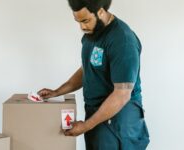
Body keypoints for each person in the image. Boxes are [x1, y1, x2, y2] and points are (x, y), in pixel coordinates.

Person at [38, 0, 150, 149]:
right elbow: (88, 68)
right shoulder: (91, 34)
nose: (82, 27)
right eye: (78, 22)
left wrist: (86, 125)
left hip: (119, 120)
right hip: (97, 116)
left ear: (101, 11)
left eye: (85, 20)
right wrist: (57, 91)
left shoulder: (122, 40)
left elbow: (122, 94)